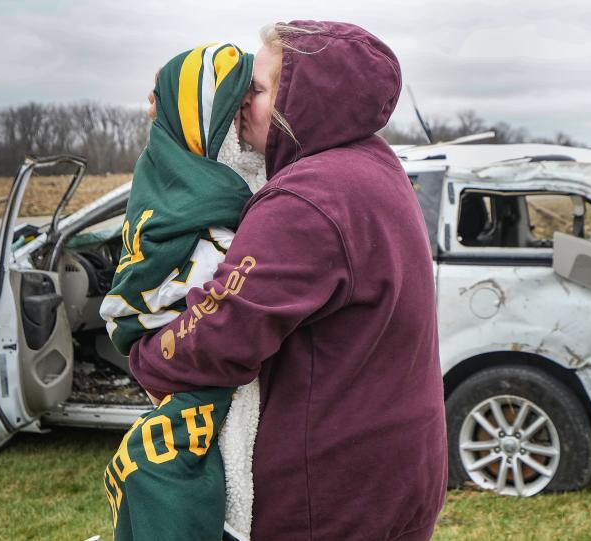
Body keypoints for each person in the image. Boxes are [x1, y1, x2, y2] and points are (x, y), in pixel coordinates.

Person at [130, 21, 448, 540]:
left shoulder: (307, 199)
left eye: (255, 89)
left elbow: (221, 336)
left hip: (325, 497)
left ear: (306, 98)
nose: (239, 103)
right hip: (392, 476)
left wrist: (147, 355)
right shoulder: (371, 163)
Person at [100, 42, 264, 541]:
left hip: (184, 353)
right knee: (164, 474)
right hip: (183, 348)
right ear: (207, 121)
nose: (247, 119)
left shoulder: (178, 166)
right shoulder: (203, 183)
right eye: (237, 106)